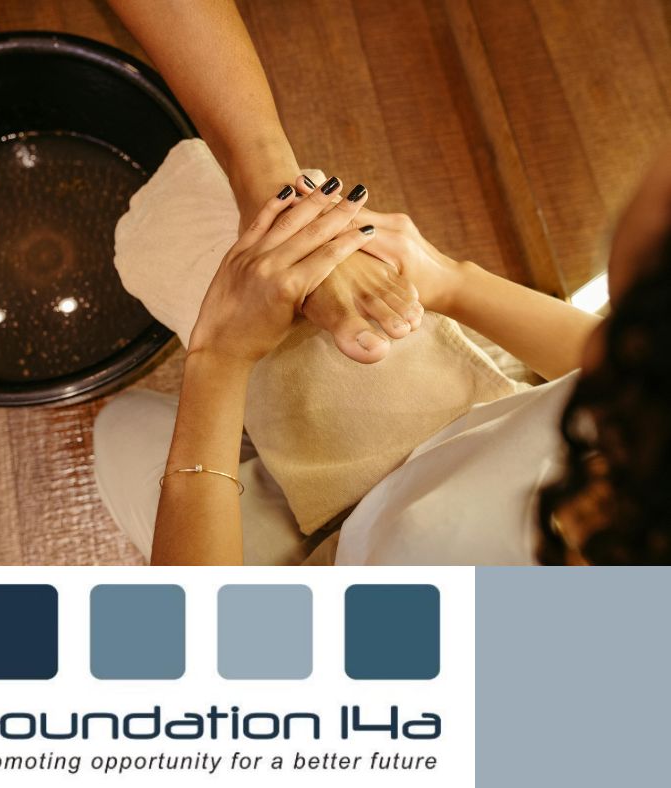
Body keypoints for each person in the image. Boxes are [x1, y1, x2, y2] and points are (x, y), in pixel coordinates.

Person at [93, 0, 671, 566]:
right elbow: (628, 367)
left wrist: (219, 357)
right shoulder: (638, 380)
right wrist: (449, 282)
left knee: (120, 435)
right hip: (460, 435)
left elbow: (203, 642)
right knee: (192, 216)